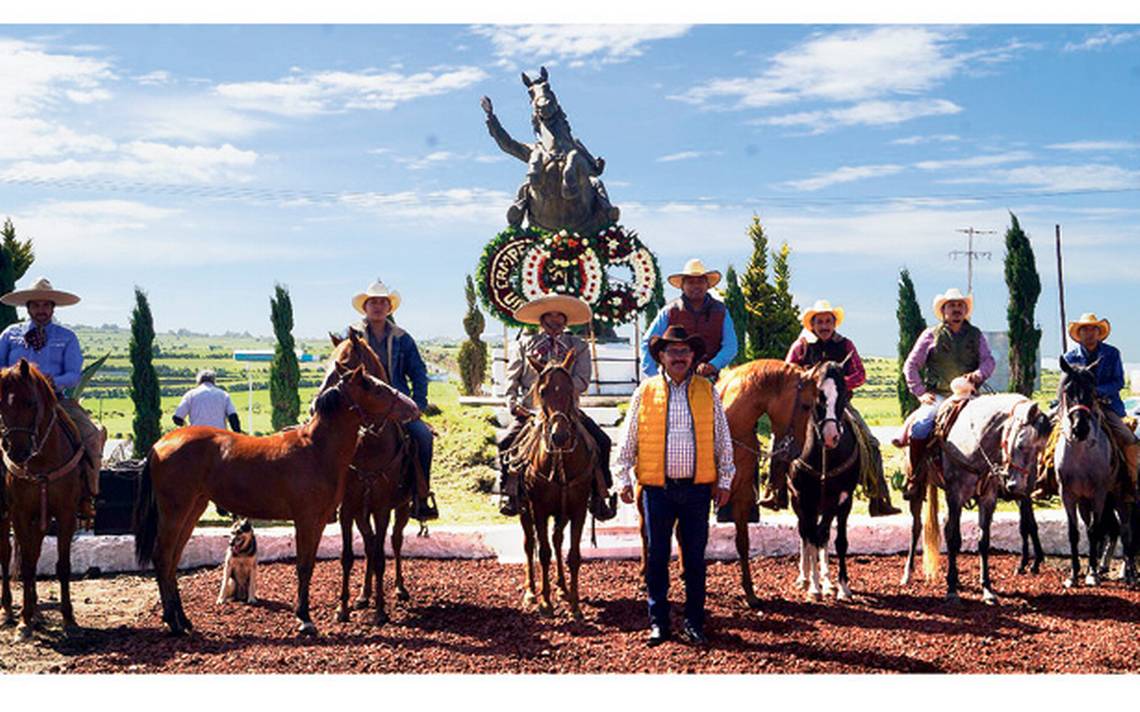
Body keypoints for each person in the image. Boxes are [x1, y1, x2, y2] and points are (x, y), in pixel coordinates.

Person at [616, 324, 734, 647]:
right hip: (657, 489)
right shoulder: (645, 391)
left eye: (684, 351)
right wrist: (623, 476)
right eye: (672, 351)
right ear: (661, 356)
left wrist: (725, 478)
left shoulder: (707, 391)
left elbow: (722, 439)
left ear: (693, 355)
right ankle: (659, 623)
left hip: (697, 490)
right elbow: (629, 437)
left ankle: (694, 622)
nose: (679, 357)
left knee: (695, 558)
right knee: (656, 557)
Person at [759, 300, 902, 516]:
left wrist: (839, 384)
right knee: (778, 440)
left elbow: (860, 374)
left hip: (837, 405)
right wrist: (811, 381)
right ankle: (775, 490)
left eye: (828, 321)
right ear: (812, 325)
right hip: (805, 405)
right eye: (820, 322)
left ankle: (878, 496)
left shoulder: (845, 345)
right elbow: (787, 373)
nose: (824, 326)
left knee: (870, 442)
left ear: (834, 323)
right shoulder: (801, 346)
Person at [497, 293, 616, 521]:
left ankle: (600, 494)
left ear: (565, 320)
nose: (554, 320)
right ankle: (509, 493)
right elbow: (511, 380)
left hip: (566, 411)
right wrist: (512, 403)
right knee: (506, 442)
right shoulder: (524, 345)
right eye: (549, 316)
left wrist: (562, 385)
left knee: (602, 440)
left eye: (559, 316)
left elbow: (583, 380)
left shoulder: (578, 346)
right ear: (541, 320)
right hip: (531, 411)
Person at [0, 277, 106, 526]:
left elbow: (73, 374)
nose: (41, 310)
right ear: (28, 307)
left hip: (57, 402)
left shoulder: (66, 337)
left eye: (46, 305)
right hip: (14, 405)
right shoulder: (10, 335)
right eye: (36, 305)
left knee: (90, 434)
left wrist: (48, 383)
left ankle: (89, 495)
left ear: (53, 308)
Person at [346, 280, 438, 522]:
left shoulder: (402, 338)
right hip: (361, 405)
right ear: (365, 307)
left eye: (382, 302)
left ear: (389, 307)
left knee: (423, 437)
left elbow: (418, 372)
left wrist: (418, 404)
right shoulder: (353, 336)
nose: (377, 306)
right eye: (373, 302)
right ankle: (332, 497)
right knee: (331, 440)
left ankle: (421, 495)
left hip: (395, 404)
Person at [893, 287, 995, 500]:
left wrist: (977, 375)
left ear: (965, 310)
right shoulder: (930, 335)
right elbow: (911, 365)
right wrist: (920, 392)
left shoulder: (976, 335)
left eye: (960, 305)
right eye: (951, 306)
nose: (956, 309)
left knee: (994, 426)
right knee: (921, 427)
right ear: (943, 310)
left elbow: (988, 361)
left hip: (970, 395)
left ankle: (995, 479)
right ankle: (915, 477)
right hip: (939, 395)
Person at [1041, 313, 1138, 497]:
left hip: (1106, 405)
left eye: (1093, 329)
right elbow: (1063, 387)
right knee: (1042, 431)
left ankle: (1131, 482)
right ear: (1079, 333)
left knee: (1129, 438)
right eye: (1085, 329)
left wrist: (1097, 392)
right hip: (1075, 406)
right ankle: (1043, 479)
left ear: (1099, 332)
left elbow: (1118, 381)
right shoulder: (1070, 358)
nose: (1089, 333)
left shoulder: (1112, 353)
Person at [641, 258, 737, 381]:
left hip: (710, 378)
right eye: (690, 282)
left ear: (707, 285)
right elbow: (647, 342)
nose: (696, 286)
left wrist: (713, 365)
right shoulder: (670, 311)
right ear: (682, 286)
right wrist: (653, 377)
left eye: (700, 281)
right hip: (673, 379)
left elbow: (731, 346)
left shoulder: (721, 311)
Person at [173, 369, 242, 432]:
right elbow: (233, 417)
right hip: (219, 437)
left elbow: (177, 418)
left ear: (198, 381)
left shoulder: (190, 394)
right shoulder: (223, 395)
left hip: (196, 436)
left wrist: (186, 426)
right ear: (214, 381)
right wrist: (238, 434)